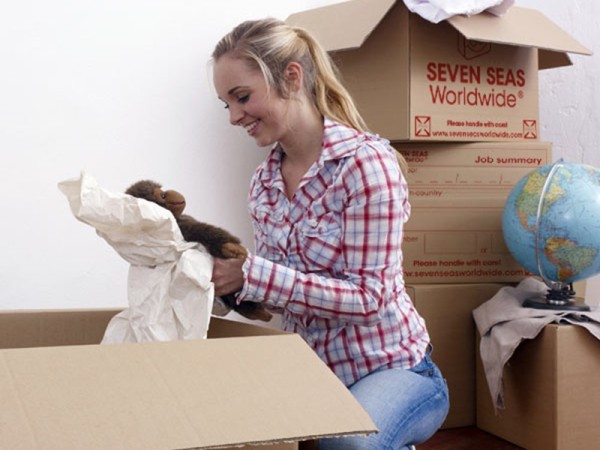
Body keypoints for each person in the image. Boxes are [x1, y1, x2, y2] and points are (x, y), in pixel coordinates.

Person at [209, 17, 449, 450]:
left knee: (346, 444)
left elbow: (368, 298)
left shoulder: (365, 164)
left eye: (241, 97)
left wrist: (253, 274)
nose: (233, 117)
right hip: (314, 376)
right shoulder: (263, 184)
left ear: (292, 77)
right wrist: (216, 282)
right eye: (225, 104)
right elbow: (280, 294)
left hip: (395, 371)